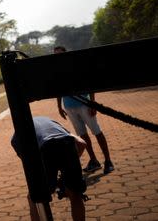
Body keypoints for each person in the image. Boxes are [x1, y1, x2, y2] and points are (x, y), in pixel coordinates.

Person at [11, 116, 88, 221]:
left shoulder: (16, 138)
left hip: (45, 149)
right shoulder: (51, 122)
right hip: (66, 144)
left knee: (36, 197)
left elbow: (31, 166)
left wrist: (51, 180)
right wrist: (66, 172)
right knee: (75, 194)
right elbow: (82, 143)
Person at [53, 45, 115, 174]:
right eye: (55, 54)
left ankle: (108, 161)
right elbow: (58, 89)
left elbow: (90, 84)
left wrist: (92, 103)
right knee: (82, 135)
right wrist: (59, 106)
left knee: (97, 132)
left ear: (66, 54)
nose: (58, 56)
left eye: (60, 53)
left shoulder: (76, 67)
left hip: (84, 104)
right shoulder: (57, 71)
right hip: (69, 107)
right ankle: (94, 160)